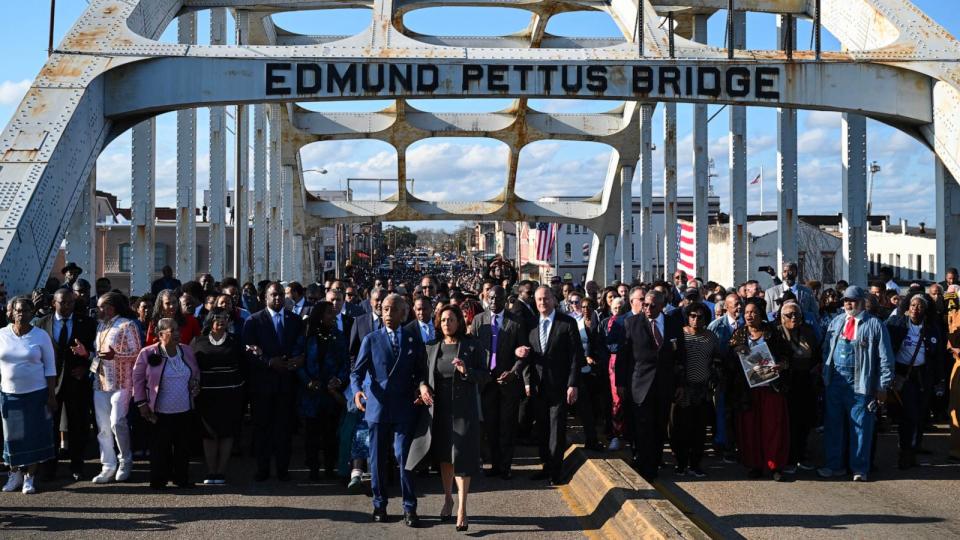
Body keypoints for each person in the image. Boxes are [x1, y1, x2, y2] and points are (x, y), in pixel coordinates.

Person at [408, 305, 489, 532]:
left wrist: (466, 371)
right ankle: (448, 499)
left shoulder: (472, 345)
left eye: (451, 319)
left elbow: (485, 376)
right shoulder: (432, 347)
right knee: (445, 457)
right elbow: (422, 376)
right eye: (443, 320)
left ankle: (462, 508)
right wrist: (423, 387)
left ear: (459, 322)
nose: (447, 323)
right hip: (439, 410)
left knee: (461, 457)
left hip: (464, 410)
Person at [351, 293, 426, 527]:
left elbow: (421, 371)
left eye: (393, 310)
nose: (388, 314)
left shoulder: (413, 339)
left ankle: (409, 508)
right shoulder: (371, 339)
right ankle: (379, 504)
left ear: (404, 313)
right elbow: (357, 372)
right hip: (378, 408)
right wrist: (357, 391)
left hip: (404, 407)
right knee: (377, 460)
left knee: (404, 458)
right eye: (384, 309)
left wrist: (421, 386)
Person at [818, 286, 894, 482]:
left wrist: (882, 385)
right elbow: (826, 349)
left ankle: (860, 468)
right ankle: (834, 466)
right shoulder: (836, 321)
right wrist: (826, 373)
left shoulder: (875, 325)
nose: (848, 304)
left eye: (852, 300)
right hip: (835, 381)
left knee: (861, 427)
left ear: (862, 302)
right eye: (845, 301)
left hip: (861, 383)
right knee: (833, 425)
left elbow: (886, 358)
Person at [71, 291, 141, 484]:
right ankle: (107, 466)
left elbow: (136, 353)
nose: (97, 309)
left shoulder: (127, 325)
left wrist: (115, 356)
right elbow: (99, 356)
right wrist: (86, 354)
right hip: (100, 383)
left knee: (117, 422)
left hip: (122, 383)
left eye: (101, 306)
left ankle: (125, 460)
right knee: (102, 427)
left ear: (111, 308)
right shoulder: (101, 326)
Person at [515, 286, 582, 484]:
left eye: (545, 299)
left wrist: (573, 384)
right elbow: (526, 352)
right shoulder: (531, 324)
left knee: (556, 430)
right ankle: (546, 465)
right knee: (542, 430)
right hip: (538, 387)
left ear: (553, 299)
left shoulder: (567, 323)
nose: (542, 303)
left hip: (560, 386)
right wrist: (518, 353)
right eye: (538, 300)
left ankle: (556, 471)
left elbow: (576, 356)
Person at [617, 290, 685, 480]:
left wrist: (680, 384)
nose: (647, 308)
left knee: (659, 426)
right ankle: (645, 465)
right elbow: (623, 356)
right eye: (645, 304)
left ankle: (653, 461)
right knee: (642, 426)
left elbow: (680, 356)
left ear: (662, 305)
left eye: (652, 305)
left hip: (664, 385)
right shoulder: (632, 323)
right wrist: (621, 383)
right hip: (639, 384)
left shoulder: (673, 324)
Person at [241, 282, 305, 482]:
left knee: (284, 429)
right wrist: (268, 362)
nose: (277, 299)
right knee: (262, 428)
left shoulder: (294, 320)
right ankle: (263, 469)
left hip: (287, 383)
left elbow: (300, 345)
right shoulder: (254, 321)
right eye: (273, 295)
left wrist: (297, 359)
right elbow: (248, 351)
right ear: (265, 297)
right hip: (263, 385)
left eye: (280, 295)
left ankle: (283, 470)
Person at [34, 289, 96, 481]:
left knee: (79, 426)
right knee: (49, 426)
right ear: (54, 303)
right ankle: (49, 468)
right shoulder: (41, 324)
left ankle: (77, 465)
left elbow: (97, 352)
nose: (68, 306)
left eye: (71, 302)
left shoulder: (87, 323)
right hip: (49, 384)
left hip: (77, 383)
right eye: (64, 303)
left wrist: (86, 368)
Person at [727, 297, 790, 481]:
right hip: (748, 391)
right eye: (746, 312)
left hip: (771, 389)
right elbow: (729, 359)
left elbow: (786, 356)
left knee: (772, 429)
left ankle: (774, 466)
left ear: (761, 314)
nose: (749, 315)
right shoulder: (739, 334)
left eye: (753, 312)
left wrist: (781, 365)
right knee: (750, 429)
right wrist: (737, 351)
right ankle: (754, 464)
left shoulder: (773, 333)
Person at [132, 317, 200, 489]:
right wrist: (141, 404)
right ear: (161, 335)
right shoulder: (148, 353)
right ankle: (158, 480)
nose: (177, 334)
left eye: (178, 330)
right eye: (172, 331)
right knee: (159, 447)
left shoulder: (186, 350)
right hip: (159, 410)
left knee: (182, 446)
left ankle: (181, 478)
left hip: (184, 408)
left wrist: (195, 385)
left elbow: (195, 372)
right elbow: (137, 379)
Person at [0, 296, 57, 494]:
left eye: (25, 310)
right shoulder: (1, 334)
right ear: (11, 312)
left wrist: (51, 396)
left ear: (32, 313)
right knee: (12, 437)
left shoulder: (41, 336)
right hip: (9, 394)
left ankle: (29, 477)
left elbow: (50, 368)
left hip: (36, 394)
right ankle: (14, 474)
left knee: (34, 436)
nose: (21, 314)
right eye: (18, 310)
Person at [471, 285, 527, 478]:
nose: (494, 302)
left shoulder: (516, 322)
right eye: (491, 298)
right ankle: (495, 464)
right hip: (487, 382)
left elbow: (523, 354)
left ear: (505, 300)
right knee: (491, 426)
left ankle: (505, 466)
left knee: (506, 426)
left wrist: (513, 372)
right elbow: (473, 351)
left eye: (498, 299)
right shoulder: (479, 321)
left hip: (508, 382)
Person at [885, 294, 945, 469]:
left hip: (923, 375)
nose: (915, 309)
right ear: (907, 307)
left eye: (919, 306)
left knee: (919, 415)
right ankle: (905, 453)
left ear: (925, 310)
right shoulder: (897, 324)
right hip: (903, 375)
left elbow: (938, 355)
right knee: (908, 415)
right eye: (912, 305)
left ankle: (913, 449)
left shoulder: (932, 329)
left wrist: (939, 379)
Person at [191, 308, 245, 485]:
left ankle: (221, 471)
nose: (221, 320)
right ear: (209, 320)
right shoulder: (199, 341)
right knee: (209, 434)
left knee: (226, 433)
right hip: (206, 395)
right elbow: (192, 366)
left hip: (230, 394)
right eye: (217, 317)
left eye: (225, 318)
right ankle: (211, 470)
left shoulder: (235, 341)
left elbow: (244, 366)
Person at [299, 301, 349, 481]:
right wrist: (307, 382)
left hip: (331, 393)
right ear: (320, 315)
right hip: (312, 393)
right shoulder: (307, 335)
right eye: (329, 313)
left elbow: (345, 362)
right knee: (312, 434)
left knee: (330, 433)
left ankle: (330, 467)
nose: (333, 317)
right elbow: (299, 362)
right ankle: (312, 468)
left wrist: (339, 379)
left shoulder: (339, 336)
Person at [671, 302, 719, 477]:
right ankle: (681, 463)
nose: (696, 320)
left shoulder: (711, 337)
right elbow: (673, 361)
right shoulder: (680, 336)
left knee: (699, 431)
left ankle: (695, 464)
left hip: (703, 391)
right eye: (692, 316)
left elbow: (716, 360)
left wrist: (714, 376)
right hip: (683, 390)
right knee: (680, 429)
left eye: (700, 316)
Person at [778, 301, 822, 473]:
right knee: (788, 422)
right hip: (786, 383)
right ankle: (788, 457)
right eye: (789, 315)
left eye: (797, 314)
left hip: (806, 381)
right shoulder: (777, 334)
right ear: (782, 318)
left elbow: (816, 354)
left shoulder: (808, 332)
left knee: (804, 421)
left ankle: (802, 454)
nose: (794, 317)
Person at [601, 296, 627, 451]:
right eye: (615, 307)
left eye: (621, 307)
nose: (618, 310)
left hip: (628, 361)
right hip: (614, 362)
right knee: (616, 399)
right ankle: (616, 434)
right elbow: (606, 343)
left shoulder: (630, 320)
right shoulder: (609, 323)